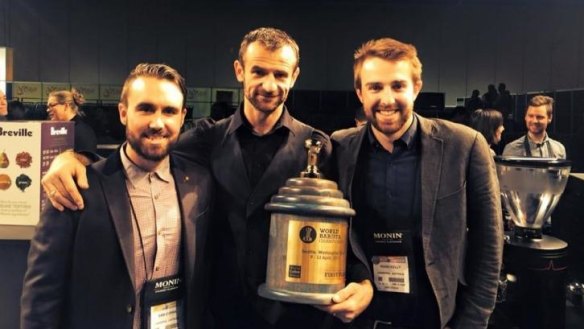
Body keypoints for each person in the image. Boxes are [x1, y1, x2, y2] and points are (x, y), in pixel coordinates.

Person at [40, 27, 373, 328]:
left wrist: (363, 281)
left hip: (294, 317)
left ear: (294, 76)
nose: (269, 85)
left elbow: (344, 223)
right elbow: (148, 153)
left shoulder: (319, 147)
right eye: (258, 71)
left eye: (279, 74)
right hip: (219, 315)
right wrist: (78, 159)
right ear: (240, 71)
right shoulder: (203, 140)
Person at [21, 63, 214, 329]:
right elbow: (41, 298)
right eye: (145, 108)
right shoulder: (76, 187)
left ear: (182, 117)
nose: (157, 123)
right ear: (123, 113)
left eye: (169, 111)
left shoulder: (199, 184)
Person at [330, 37, 503, 328]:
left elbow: (489, 246)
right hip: (362, 317)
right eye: (375, 87)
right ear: (360, 93)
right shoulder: (339, 147)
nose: (387, 99)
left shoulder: (465, 145)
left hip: (434, 316)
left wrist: (472, 323)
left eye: (398, 86)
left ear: (416, 88)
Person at [46, 88, 98, 153]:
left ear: (66, 106)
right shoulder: (61, 130)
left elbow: (87, 160)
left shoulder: (82, 131)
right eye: (48, 107)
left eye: (52, 105)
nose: (48, 110)